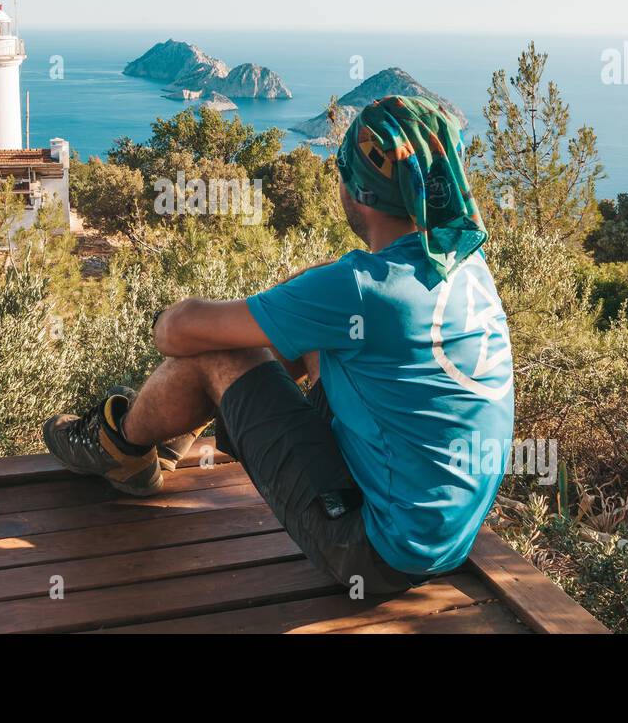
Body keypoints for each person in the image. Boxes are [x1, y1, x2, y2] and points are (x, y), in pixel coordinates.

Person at [43, 95, 514, 593]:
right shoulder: (464, 266)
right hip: (446, 536)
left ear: (358, 191)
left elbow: (176, 331)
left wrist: (177, 320)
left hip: (375, 551)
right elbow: (334, 310)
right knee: (298, 334)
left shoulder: (362, 287)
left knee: (221, 351)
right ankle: (149, 443)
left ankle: (119, 444)